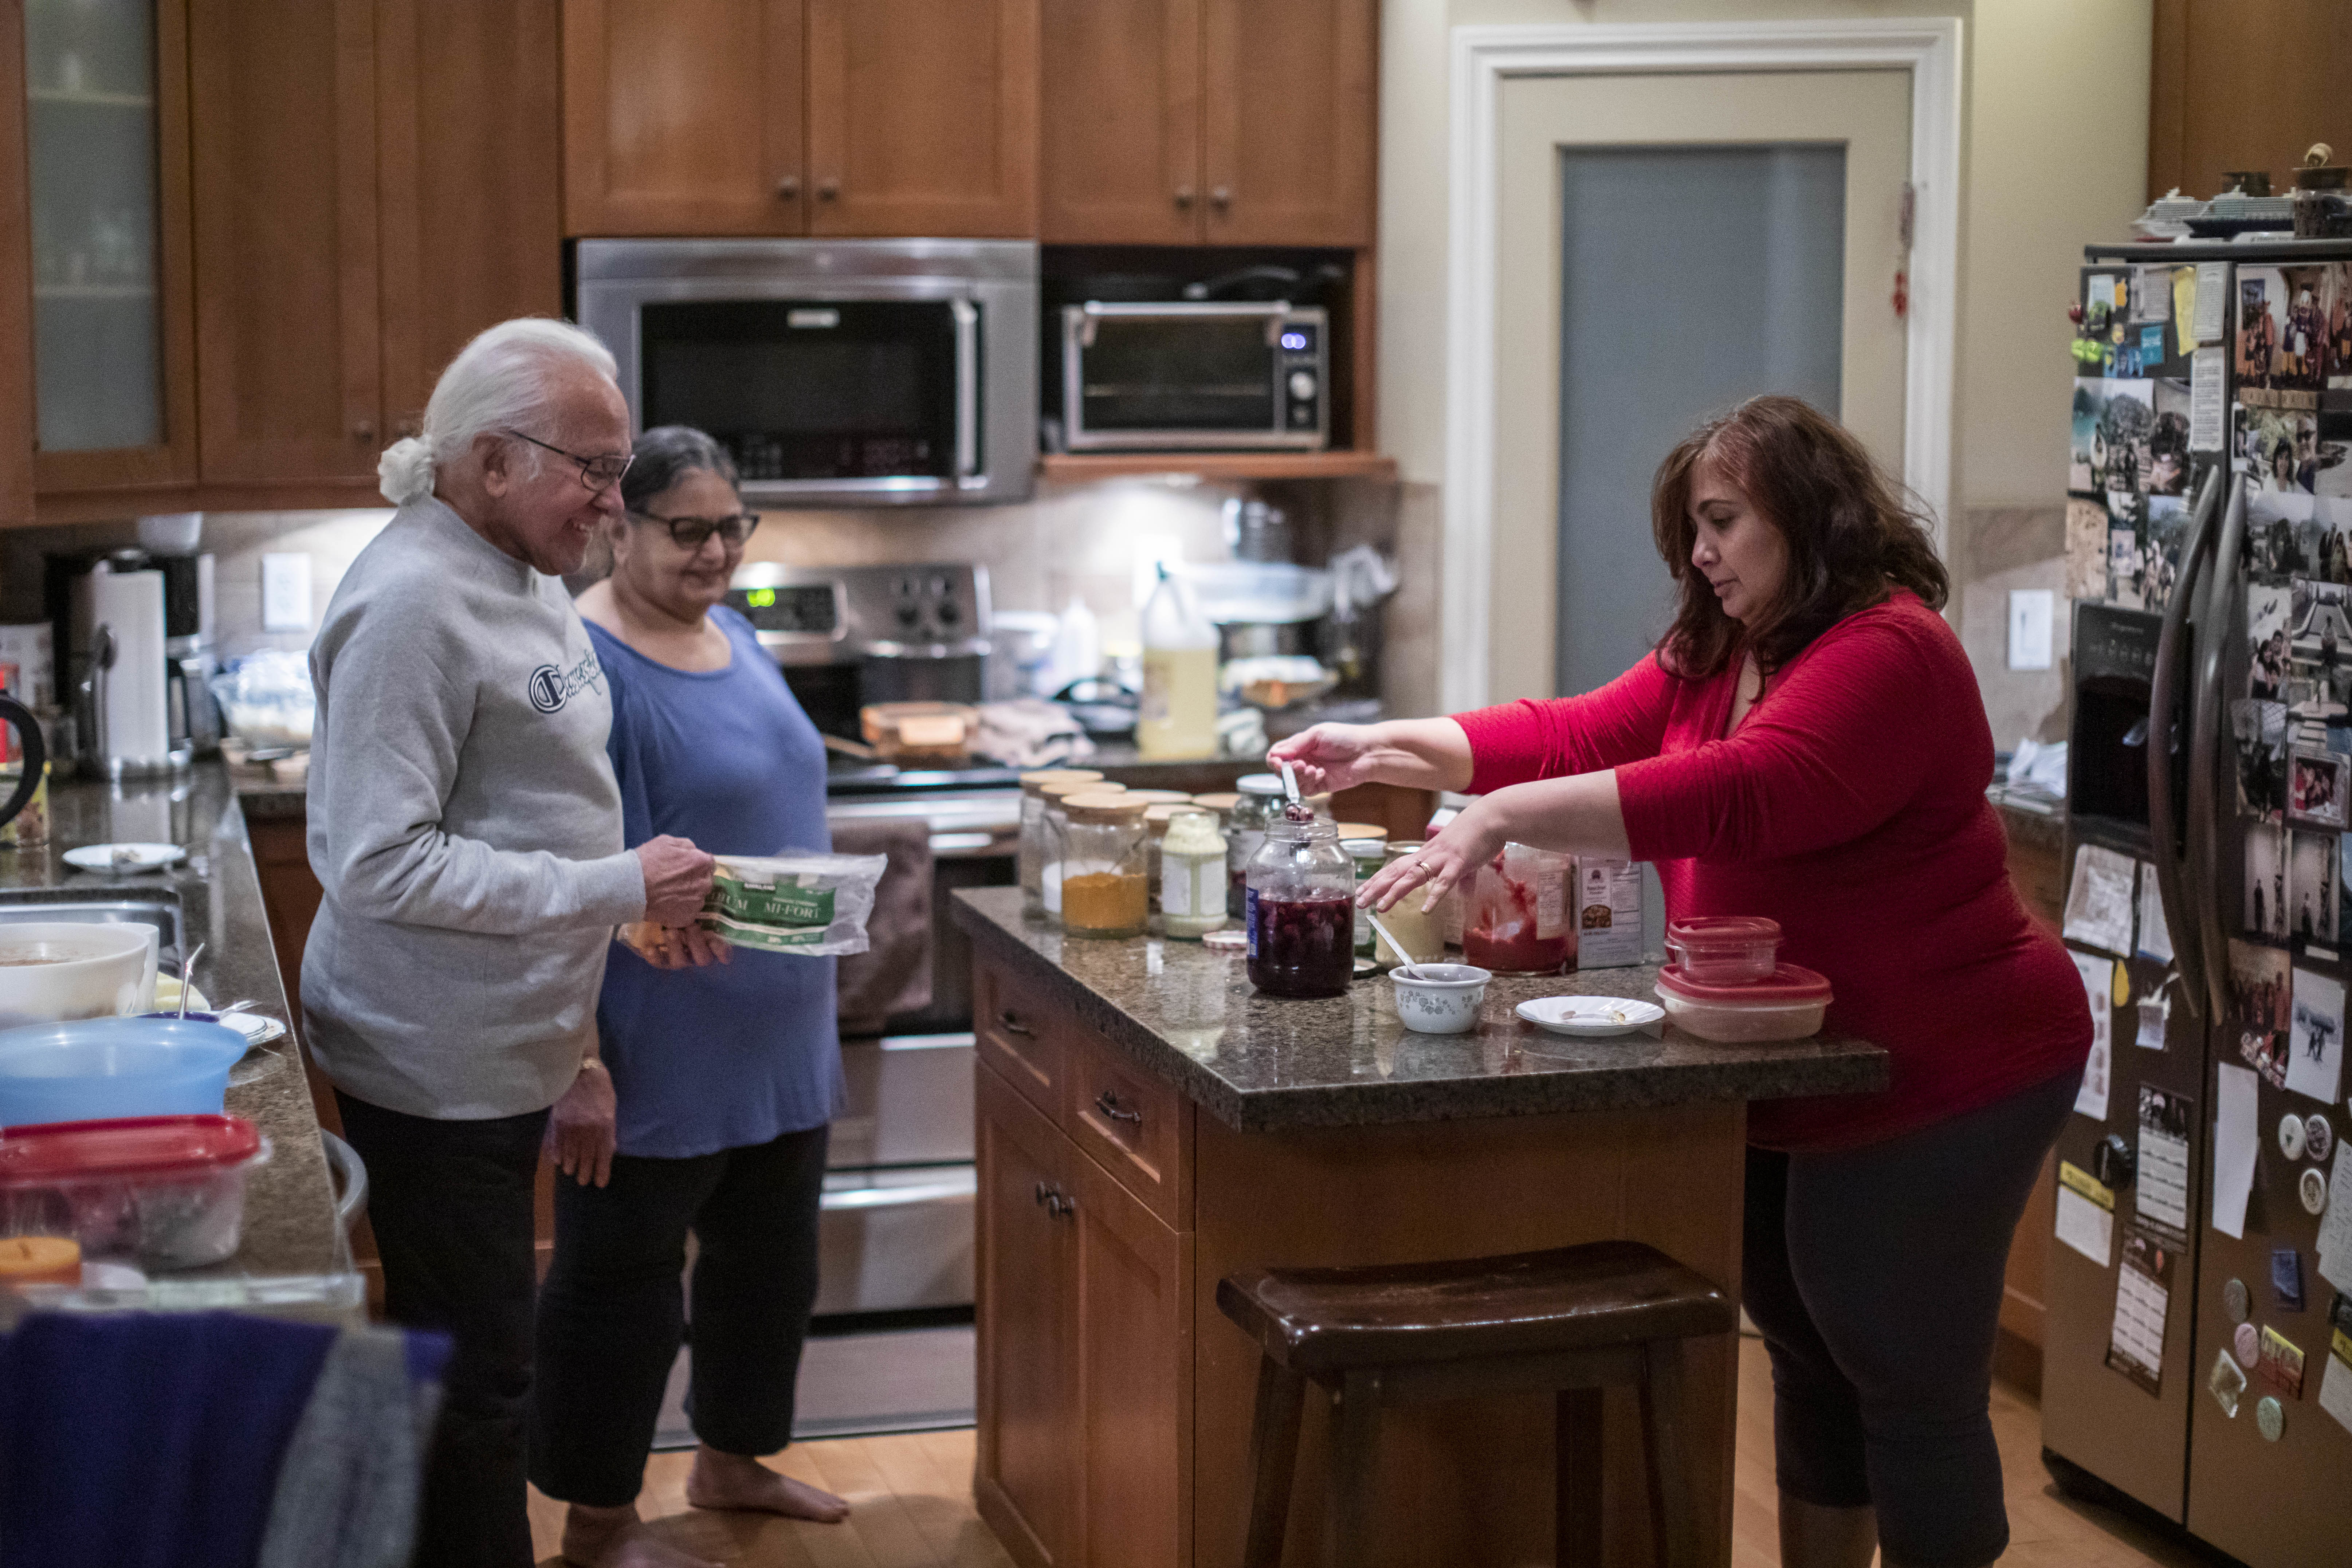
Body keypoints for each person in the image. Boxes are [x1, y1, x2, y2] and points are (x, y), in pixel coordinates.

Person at [1271, 395, 2091, 1568]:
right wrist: (1386, 746)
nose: (1699, 554)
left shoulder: (1891, 651)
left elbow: (1738, 792)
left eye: (1721, 522)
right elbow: (1573, 732)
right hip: (1796, 1055)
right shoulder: (1724, 647)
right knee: (1811, 1356)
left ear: (1807, 518)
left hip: (1955, 1058)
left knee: (1906, 1376)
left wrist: (1496, 817)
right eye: (1691, 530)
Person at [305, 318, 718, 1568]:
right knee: (477, 1384)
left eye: (621, 462)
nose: (615, 497)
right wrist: (613, 884)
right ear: (491, 460)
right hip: (427, 1057)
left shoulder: (527, 573)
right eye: (590, 467)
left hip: (510, 1043)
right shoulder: (411, 604)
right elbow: (375, 862)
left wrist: (579, 1034)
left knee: (487, 1365)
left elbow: (543, 807)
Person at [529, 426, 850, 1568]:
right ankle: (597, 1522)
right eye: (688, 529)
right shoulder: (585, 665)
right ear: (618, 522)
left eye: (732, 526)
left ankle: (732, 1460)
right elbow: (566, 869)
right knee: (620, 1296)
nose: (716, 551)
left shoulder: (737, 631)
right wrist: (578, 1058)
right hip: (652, 1043)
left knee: (769, 1273)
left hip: (777, 1031)